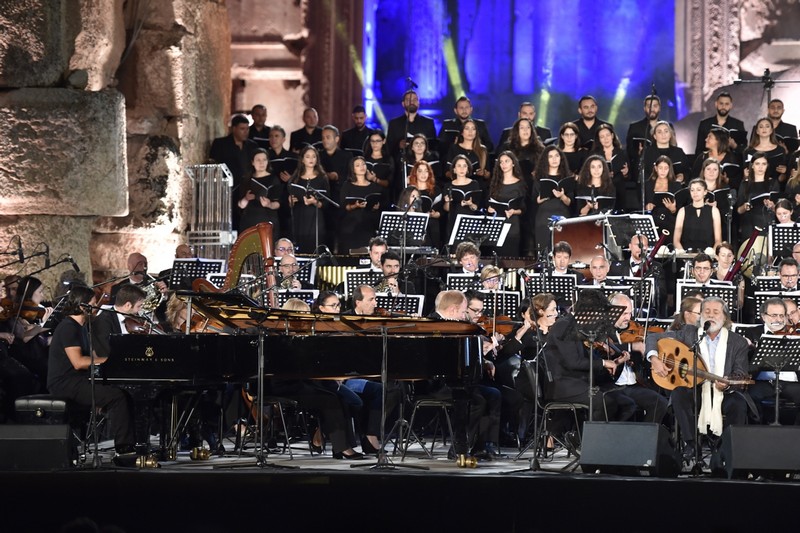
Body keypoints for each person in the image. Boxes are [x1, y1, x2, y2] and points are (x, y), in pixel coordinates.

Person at [646, 296, 751, 462]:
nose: (711, 315)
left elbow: (740, 373)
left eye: (716, 312)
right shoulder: (689, 333)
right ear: (700, 315)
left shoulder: (737, 342)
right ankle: (692, 445)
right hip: (694, 389)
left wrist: (726, 384)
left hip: (723, 393)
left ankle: (726, 449)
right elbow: (653, 338)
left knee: (738, 403)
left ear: (725, 317)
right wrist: (654, 358)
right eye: (706, 311)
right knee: (679, 394)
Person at [47, 285, 137, 464]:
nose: (97, 308)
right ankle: (124, 450)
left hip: (79, 381)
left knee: (123, 392)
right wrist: (108, 361)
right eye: (94, 304)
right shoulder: (68, 327)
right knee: (117, 397)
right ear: (83, 306)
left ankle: (131, 444)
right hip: (64, 383)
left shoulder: (83, 328)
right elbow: (79, 362)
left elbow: (94, 357)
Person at [542, 288, 622, 422]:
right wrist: (603, 363)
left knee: (620, 401)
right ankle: (590, 441)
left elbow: (586, 357)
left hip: (577, 382)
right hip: (563, 386)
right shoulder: (564, 325)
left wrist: (609, 363)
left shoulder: (577, 326)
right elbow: (574, 362)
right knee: (605, 403)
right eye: (597, 314)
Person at [602, 293, 668, 424]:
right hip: (612, 386)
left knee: (661, 403)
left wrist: (642, 356)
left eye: (630, 313)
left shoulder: (634, 329)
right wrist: (632, 346)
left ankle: (643, 439)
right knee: (626, 407)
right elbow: (606, 349)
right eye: (624, 314)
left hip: (633, 385)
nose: (628, 318)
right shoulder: (602, 330)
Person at [739, 297, 800, 423]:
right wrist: (750, 348)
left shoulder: (794, 333)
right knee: (748, 397)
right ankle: (758, 436)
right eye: (773, 315)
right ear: (763, 316)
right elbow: (745, 363)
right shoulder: (751, 333)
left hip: (790, 382)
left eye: (781, 315)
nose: (778, 319)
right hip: (762, 382)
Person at [209, 114, 258, 231]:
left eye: (247, 129)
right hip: (226, 190)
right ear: (234, 129)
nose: (245, 132)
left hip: (246, 188)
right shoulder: (220, 144)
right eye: (242, 129)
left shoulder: (253, 146)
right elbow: (213, 165)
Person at [287, 146, 329, 254]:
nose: (311, 159)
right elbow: (289, 203)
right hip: (300, 218)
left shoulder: (322, 178)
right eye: (308, 156)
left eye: (314, 156)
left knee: (315, 248)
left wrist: (315, 202)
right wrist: (290, 201)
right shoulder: (295, 178)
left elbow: (327, 203)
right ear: (302, 159)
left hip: (315, 218)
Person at [533, 145, 574, 255]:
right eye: (550, 156)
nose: (554, 159)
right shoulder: (539, 178)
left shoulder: (567, 177)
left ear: (561, 158)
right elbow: (534, 201)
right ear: (546, 160)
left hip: (563, 218)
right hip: (543, 219)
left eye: (557, 156)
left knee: (562, 252)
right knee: (544, 254)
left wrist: (562, 196)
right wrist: (540, 199)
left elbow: (570, 202)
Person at [339, 156, 382, 253]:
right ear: (353, 169)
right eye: (358, 165)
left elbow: (379, 205)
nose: (362, 167)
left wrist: (375, 208)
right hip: (351, 227)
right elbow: (344, 206)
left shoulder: (374, 187)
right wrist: (355, 206)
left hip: (368, 226)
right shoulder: (347, 186)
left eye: (363, 164)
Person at [91, 284, 147, 359]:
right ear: (128, 305)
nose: (140, 310)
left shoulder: (129, 319)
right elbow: (106, 350)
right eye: (139, 306)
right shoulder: (104, 320)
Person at [487, 151, 526, 256]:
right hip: (497, 224)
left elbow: (523, 208)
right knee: (497, 258)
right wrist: (490, 209)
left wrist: (514, 211)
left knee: (511, 256)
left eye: (506, 161)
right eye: (501, 162)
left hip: (513, 225)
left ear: (513, 163)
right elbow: (489, 203)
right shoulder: (495, 182)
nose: (503, 164)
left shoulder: (520, 184)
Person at [237, 148, 281, 234]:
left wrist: (269, 204)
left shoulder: (274, 179)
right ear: (252, 162)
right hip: (249, 220)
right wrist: (246, 198)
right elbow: (240, 205)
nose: (261, 163)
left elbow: (278, 203)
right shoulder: (246, 179)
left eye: (264, 160)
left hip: (267, 219)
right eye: (258, 160)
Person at [736, 151, 778, 241]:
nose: (760, 167)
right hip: (749, 224)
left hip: (767, 222)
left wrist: (772, 206)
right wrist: (745, 207)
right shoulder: (745, 184)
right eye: (757, 163)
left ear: (767, 166)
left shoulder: (773, 183)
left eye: (764, 164)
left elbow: (778, 207)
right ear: (752, 166)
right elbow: (739, 210)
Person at [268, 125, 299, 241]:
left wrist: (291, 179)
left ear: (283, 139)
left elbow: (300, 178)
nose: (273, 139)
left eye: (277, 136)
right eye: (271, 136)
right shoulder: (265, 157)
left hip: (287, 198)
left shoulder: (293, 158)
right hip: (271, 198)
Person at [385, 89, 437, 160]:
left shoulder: (428, 122)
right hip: (400, 163)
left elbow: (434, 146)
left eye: (415, 99)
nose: (412, 102)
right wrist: (398, 145)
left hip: (423, 163)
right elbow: (388, 147)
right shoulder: (394, 123)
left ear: (418, 103)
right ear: (403, 103)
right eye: (408, 100)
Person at [673, 178, 722, 253]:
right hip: (686, 254)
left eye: (698, 190)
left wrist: (710, 255)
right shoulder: (682, 211)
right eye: (692, 190)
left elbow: (718, 240)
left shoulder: (714, 211)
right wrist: (683, 254)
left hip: (707, 255)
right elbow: (676, 240)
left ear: (705, 192)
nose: (695, 193)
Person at [443, 154, 482, 246]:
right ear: (454, 169)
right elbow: (446, 209)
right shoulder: (448, 186)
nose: (462, 169)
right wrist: (448, 201)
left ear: (468, 169)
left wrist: (470, 204)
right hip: (453, 222)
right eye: (459, 166)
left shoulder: (474, 184)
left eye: (464, 166)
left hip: (470, 223)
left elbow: (475, 208)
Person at [694, 91, 747, 157]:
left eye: (727, 104)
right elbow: (699, 149)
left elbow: (744, 150)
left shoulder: (738, 125)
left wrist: (734, 146)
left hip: (730, 162)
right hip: (709, 162)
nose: (723, 106)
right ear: (716, 104)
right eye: (721, 103)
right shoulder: (705, 124)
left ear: (731, 106)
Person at [692, 126, 743, 191]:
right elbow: (694, 177)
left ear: (719, 140)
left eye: (709, 137)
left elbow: (738, 180)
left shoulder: (732, 158)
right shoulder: (702, 157)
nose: (706, 139)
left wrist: (726, 180)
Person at [591, 123, 630, 210]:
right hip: (601, 188)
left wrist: (626, 173)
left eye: (607, 135)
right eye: (602, 137)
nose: (606, 139)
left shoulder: (621, 153)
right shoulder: (594, 154)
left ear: (612, 135)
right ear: (599, 139)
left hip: (618, 189)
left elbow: (629, 176)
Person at [626, 95, 664, 179]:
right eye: (649, 106)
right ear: (644, 108)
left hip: (664, 171)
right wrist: (638, 153)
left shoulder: (667, 127)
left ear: (659, 108)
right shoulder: (635, 127)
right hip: (642, 173)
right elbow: (629, 152)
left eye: (655, 106)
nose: (652, 109)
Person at [445, 118, 491, 188]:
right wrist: (457, 172)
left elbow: (488, 174)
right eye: (467, 128)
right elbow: (447, 172)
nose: (470, 131)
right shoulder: (454, 148)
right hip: (458, 185)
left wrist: (484, 173)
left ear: (476, 132)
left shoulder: (482, 150)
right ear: (462, 132)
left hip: (478, 186)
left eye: (473, 129)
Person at [408, 160, 443, 248]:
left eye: (426, 171)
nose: (423, 174)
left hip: (432, 226)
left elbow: (441, 211)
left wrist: (434, 214)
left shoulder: (436, 190)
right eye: (420, 171)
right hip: (415, 224)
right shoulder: (409, 190)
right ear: (415, 173)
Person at [644, 155, 681, 237]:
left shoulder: (676, 185)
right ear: (656, 168)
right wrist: (647, 206)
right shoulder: (648, 184)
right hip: (652, 219)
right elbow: (641, 203)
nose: (663, 171)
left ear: (669, 169)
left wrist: (673, 209)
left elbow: (680, 208)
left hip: (669, 220)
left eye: (666, 168)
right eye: (660, 168)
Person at [744, 116, 788, 184]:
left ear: (771, 130)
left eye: (767, 126)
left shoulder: (780, 150)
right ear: (757, 131)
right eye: (761, 127)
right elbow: (745, 174)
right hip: (754, 187)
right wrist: (745, 175)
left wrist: (785, 172)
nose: (764, 129)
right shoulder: (749, 151)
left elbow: (783, 176)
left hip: (775, 186)